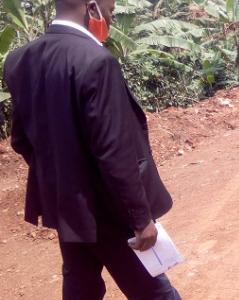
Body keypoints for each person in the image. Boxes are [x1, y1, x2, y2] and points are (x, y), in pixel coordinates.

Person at [2, 0, 180, 298]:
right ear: (92, 7)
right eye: (110, 10)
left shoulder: (19, 60)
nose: (112, 16)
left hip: (65, 206)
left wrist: (64, 178)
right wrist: (140, 219)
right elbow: (114, 151)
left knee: (81, 287)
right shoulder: (97, 61)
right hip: (107, 211)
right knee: (154, 292)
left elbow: (20, 139)